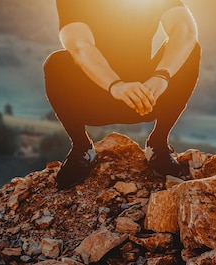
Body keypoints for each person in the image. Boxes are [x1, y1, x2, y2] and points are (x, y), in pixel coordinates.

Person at [44, 0, 201, 189]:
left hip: (147, 97)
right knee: (56, 63)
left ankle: (158, 143)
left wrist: (161, 76)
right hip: (95, 100)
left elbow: (184, 29)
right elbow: (79, 45)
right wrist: (115, 85)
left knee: (190, 49)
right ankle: (82, 146)